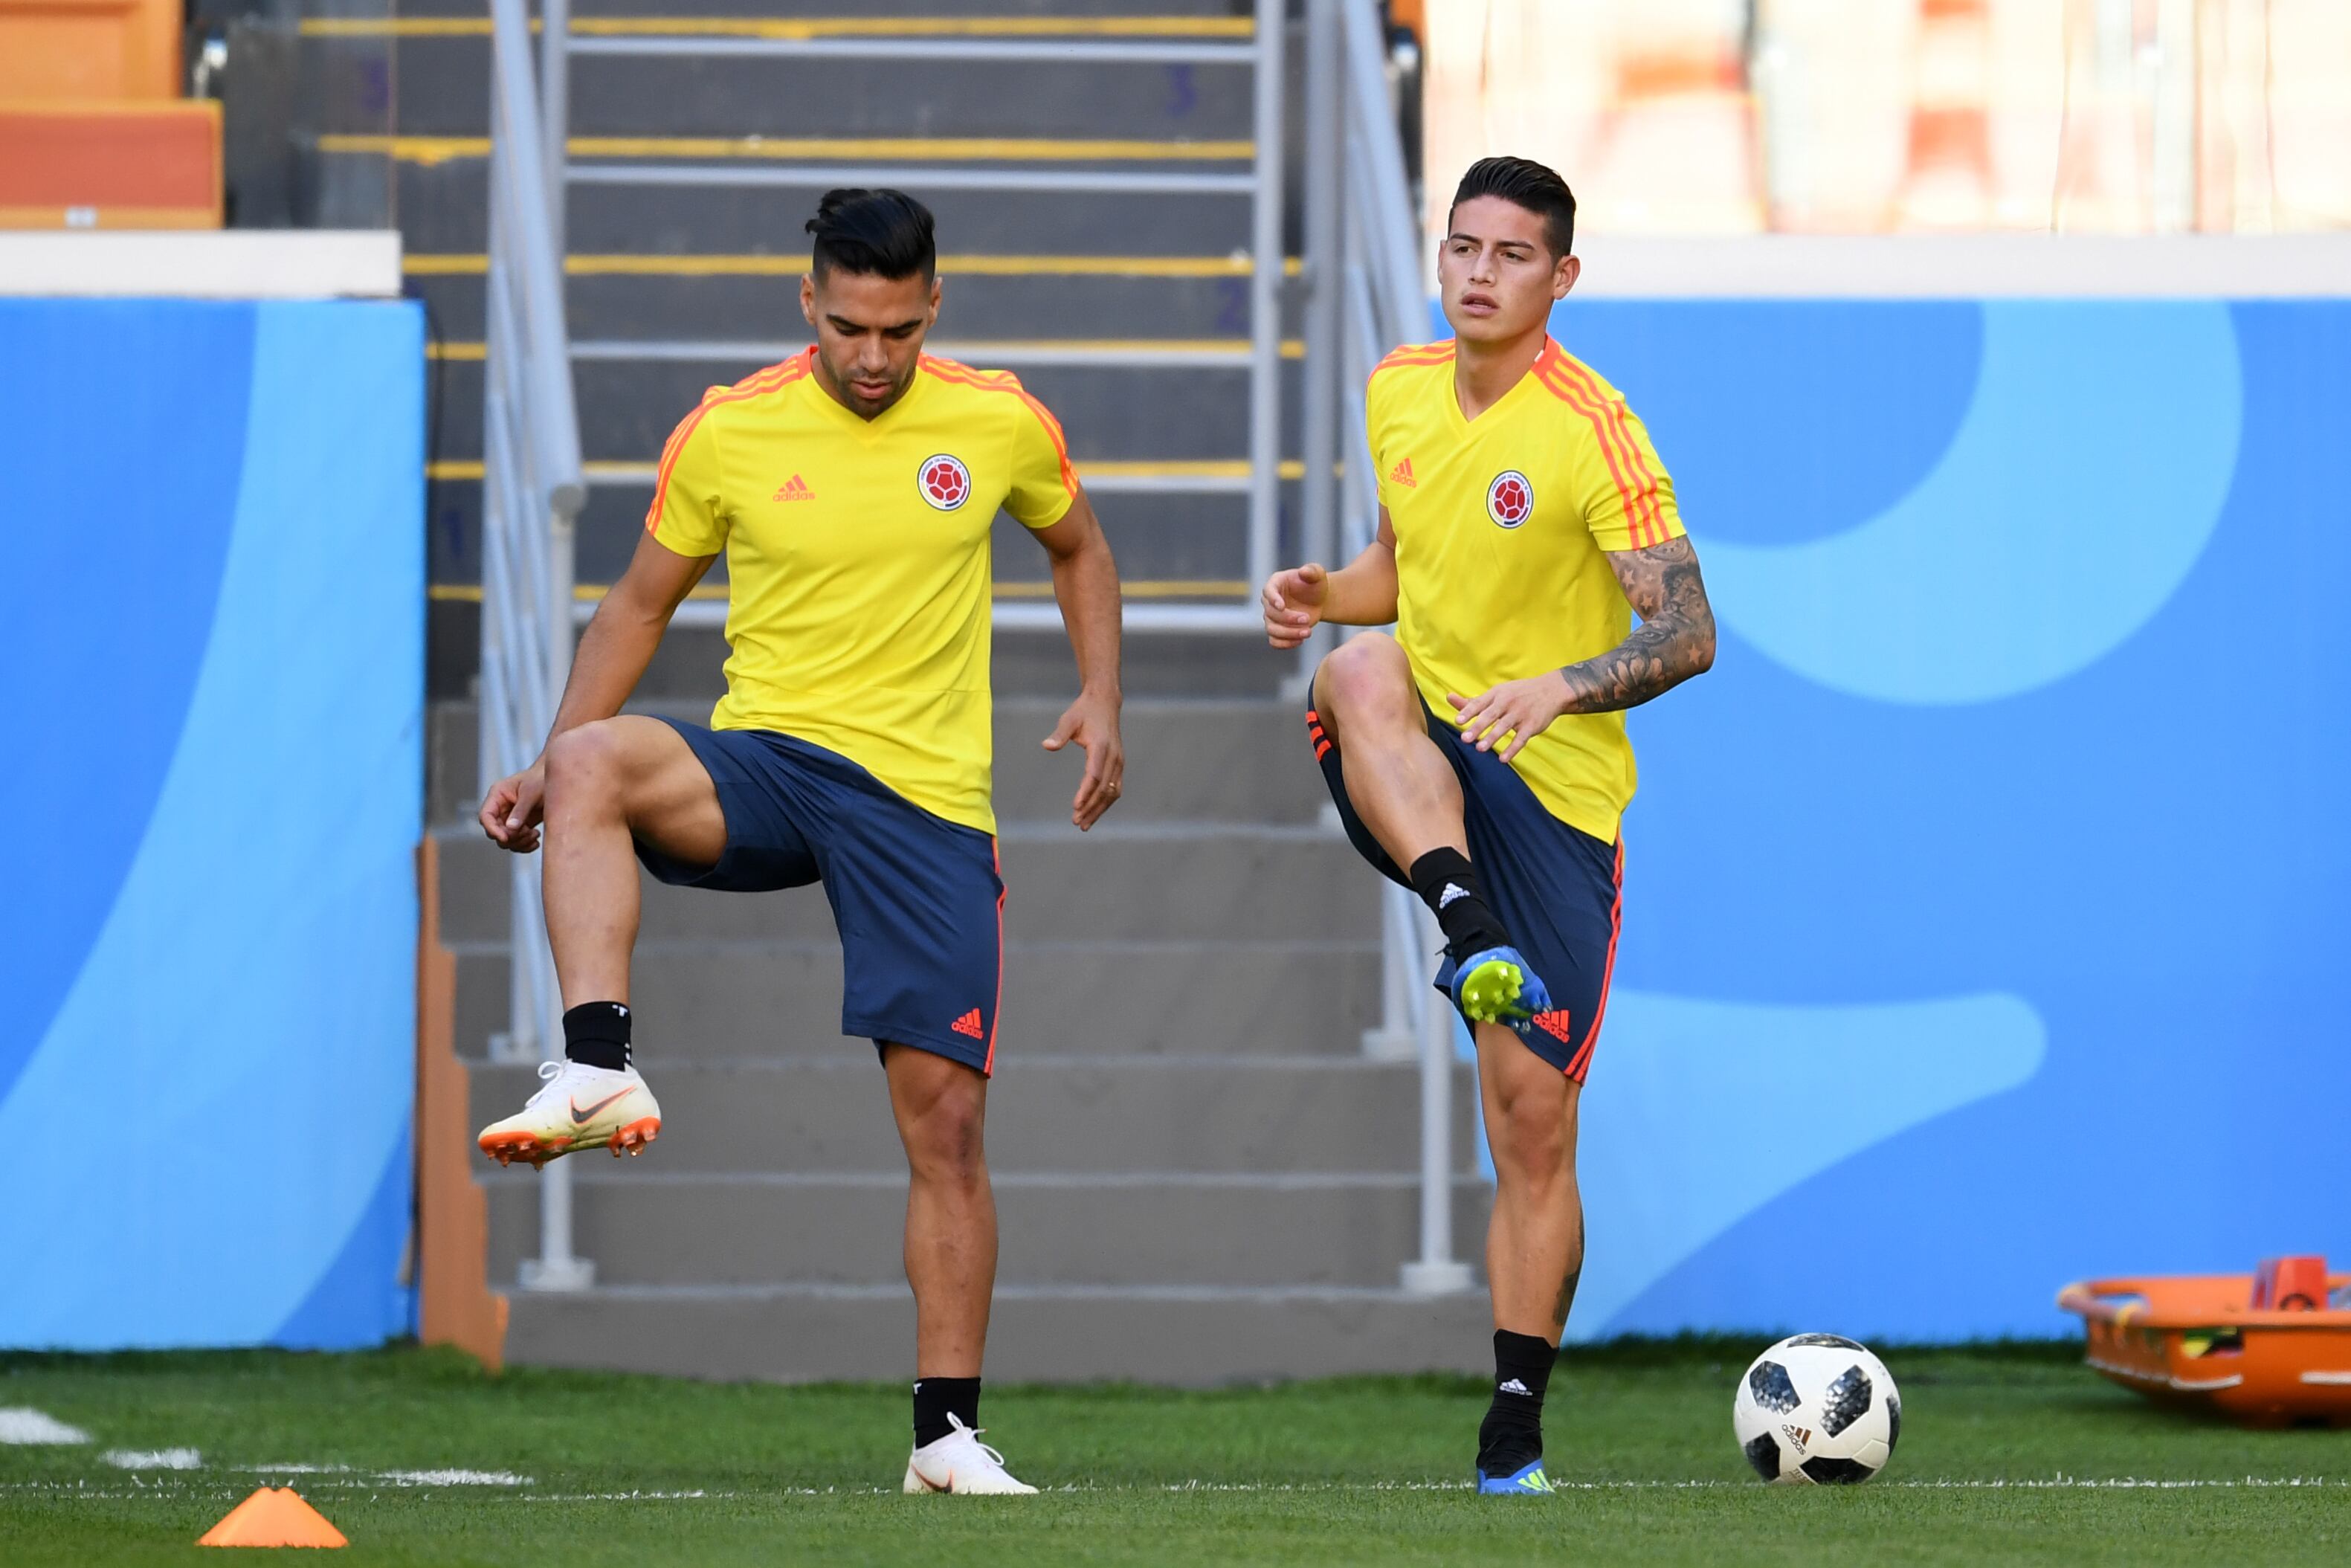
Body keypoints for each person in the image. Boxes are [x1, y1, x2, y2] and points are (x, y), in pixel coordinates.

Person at [474, 187, 1125, 1495]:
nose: (870, 356)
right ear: (806, 302)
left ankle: (944, 1436)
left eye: (894, 329)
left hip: (927, 805)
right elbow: (634, 608)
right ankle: (597, 1071)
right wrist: (549, 758)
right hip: (767, 761)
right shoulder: (727, 430)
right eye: (845, 327)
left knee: (944, 1132)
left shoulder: (999, 418)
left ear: (933, 303)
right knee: (593, 758)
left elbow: (1079, 545)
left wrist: (1103, 692)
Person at [1261, 156, 1716, 1495]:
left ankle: (1511, 1427)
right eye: (1461, 246)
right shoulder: (1398, 385)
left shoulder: (1594, 426)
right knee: (1354, 672)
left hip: (1554, 794)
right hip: (1430, 773)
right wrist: (1327, 592)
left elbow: (1687, 630)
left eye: (1510, 254)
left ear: (1559, 278)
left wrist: (1563, 685)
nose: (1477, 272)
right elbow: (1406, 567)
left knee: (1531, 1128)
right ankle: (1465, 920)